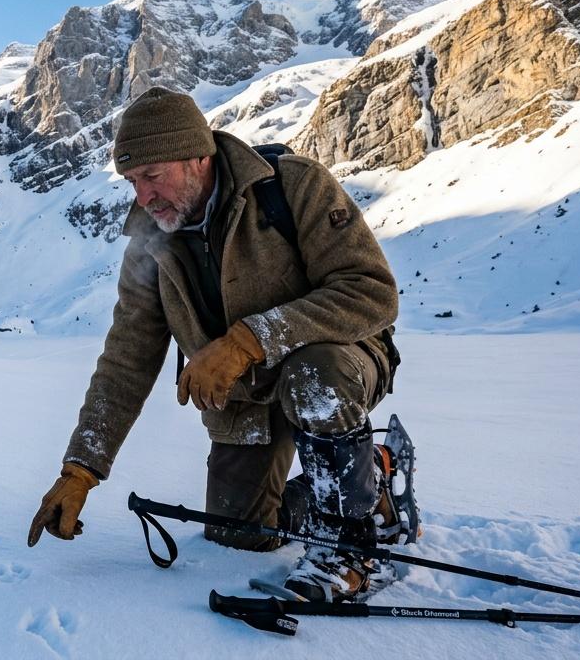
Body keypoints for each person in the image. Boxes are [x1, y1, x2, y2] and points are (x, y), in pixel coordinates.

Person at [26, 86, 403, 603]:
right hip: (245, 400)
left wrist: (249, 340)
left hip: (336, 363)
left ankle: (352, 549)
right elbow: (126, 359)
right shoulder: (151, 243)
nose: (143, 197)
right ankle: (370, 477)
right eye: (133, 181)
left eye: (152, 176)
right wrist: (81, 468)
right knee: (240, 533)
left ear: (198, 157)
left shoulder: (292, 187)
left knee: (315, 373)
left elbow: (371, 292)